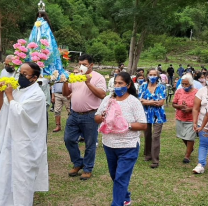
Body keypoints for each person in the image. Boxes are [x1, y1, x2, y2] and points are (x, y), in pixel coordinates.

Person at [95, 72, 147, 206]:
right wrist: (103, 117)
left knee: (120, 178)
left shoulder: (133, 102)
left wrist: (125, 125)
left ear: (128, 85)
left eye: (120, 83)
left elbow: (143, 125)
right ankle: (125, 197)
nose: (117, 86)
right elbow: (96, 117)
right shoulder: (108, 100)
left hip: (128, 146)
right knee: (114, 175)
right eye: (115, 83)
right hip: (109, 145)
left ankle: (117, 203)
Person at [0, 62, 48, 206]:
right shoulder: (17, 90)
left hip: (26, 146)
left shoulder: (37, 94)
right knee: (7, 174)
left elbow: (20, 112)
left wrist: (9, 95)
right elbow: (4, 109)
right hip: (11, 140)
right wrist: (2, 92)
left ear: (34, 78)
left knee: (22, 180)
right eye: (20, 73)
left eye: (24, 74)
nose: (21, 76)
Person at [63, 54, 106, 180]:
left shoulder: (98, 77)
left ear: (91, 65)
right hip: (74, 114)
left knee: (90, 143)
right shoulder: (75, 77)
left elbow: (102, 94)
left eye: (84, 64)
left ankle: (87, 168)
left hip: (90, 115)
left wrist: (88, 83)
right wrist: (66, 81)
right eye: (80, 63)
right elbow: (66, 94)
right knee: (69, 139)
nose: (81, 66)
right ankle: (78, 163)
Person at [138, 69, 167, 168]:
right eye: (150, 74)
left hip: (158, 116)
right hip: (145, 115)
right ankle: (148, 154)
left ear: (158, 76)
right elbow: (140, 100)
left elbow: (161, 102)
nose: (152, 76)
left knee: (155, 136)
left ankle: (155, 160)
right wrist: (153, 102)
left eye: (154, 74)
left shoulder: (162, 87)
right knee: (147, 135)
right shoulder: (143, 86)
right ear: (147, 76)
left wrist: (147, 101)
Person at [172, 74, 197, 163]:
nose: (184, 86)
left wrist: (190, 109)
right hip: (180, 117)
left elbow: (199, 105)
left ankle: (187, 156)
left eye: (186, 84)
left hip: (192, 118)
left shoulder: (197, 92)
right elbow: (173, 103)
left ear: (191, 84)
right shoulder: (179, 91)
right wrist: (180, 106)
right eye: (183, 84)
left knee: (190, 137)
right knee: (182, 136)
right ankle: (190, 148)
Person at [192, 73, 208, 174]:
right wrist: (197, 123)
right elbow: (196, 108)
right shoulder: (202, 91)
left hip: (204, 123)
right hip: (204, 123)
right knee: (203, 143)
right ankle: (201, 164)